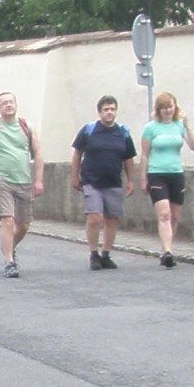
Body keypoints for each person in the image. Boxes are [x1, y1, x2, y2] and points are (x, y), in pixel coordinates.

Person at [0, 90, 42, 278]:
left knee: (24, 225)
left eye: (11, 102)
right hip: (2, 181)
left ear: (16, 104)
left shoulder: (27, 126)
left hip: (24, 181)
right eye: (4, 103)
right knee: (7, 219)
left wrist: (38, 180)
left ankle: (9, 248)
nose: (9, 105)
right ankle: (9, 262)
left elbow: (38, 154)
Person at [70, 95, 138, 271]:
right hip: (91, 180)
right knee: (95, 217)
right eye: (106, 109)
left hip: (113, 181)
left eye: (112, 109)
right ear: (99, 112)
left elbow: (128, 159)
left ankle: (106, 254)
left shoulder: (122, 133)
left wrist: (131, 180)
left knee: (112, 219)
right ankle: (94, 254)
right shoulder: (89, 130)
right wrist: (74, 176)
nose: (109, 112)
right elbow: (77, 154)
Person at [139, 93, 194, 269]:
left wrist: (187, 127)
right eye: (164, 107)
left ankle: (167, 247)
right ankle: (168, 251)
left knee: (175, 215)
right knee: (164, 214)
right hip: (157, 173)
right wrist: (143, 178)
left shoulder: (179, 126)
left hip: (176, 173)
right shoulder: (151, 128)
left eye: (170, 106)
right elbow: (144, 154)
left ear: (175, 107)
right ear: (159, 110)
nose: (168, 110)